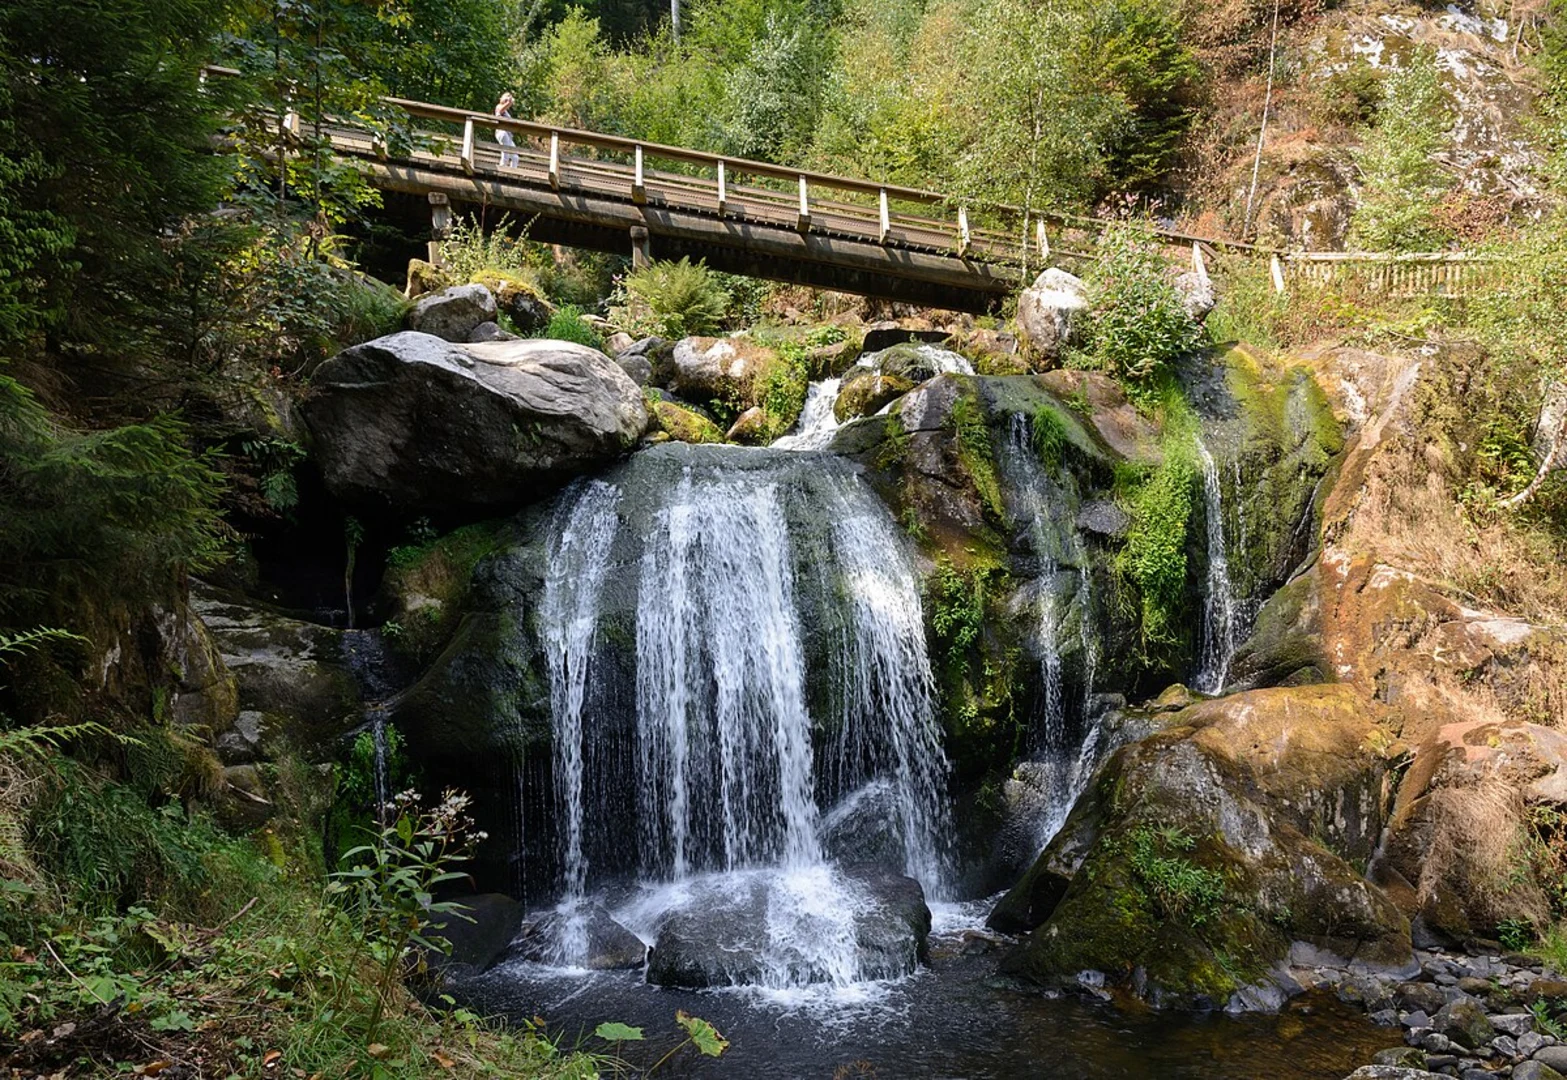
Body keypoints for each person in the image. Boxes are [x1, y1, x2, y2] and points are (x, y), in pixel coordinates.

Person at [495, 91, 519, 168]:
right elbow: (499, 111)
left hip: (508, 135)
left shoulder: (506, 112)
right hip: (502, 132)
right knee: (506, 152)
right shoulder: (499, 106)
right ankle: (502, 168)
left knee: (515, 157)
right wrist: (508, 102)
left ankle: (512, 172)